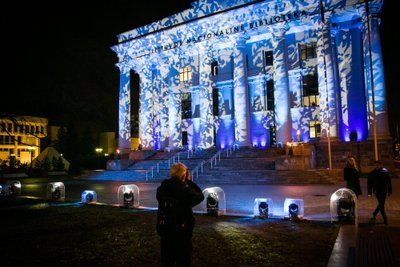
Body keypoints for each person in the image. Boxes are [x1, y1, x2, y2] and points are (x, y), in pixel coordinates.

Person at [156, 163, 204, 267]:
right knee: (183, 261)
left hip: (165, 231)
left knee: (167, 261)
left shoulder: (161, 190)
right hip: (182, 233)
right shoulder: (185, 191)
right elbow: (200, 196)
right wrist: (189, 182)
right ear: (184, 175)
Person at [367, 160, 392, 225]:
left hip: (384, 190)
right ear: (374, 166)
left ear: (381, 165)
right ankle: (385, 218)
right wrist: (369, 192)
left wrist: (390, 191)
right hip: (377, 191)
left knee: (381, 204)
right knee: (381, 204)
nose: (377, 166)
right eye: (376, 165)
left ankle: (375, 213)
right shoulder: (372, 173)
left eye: (378, 165)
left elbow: (389, 182)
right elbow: (369, 184)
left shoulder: (384, 172)